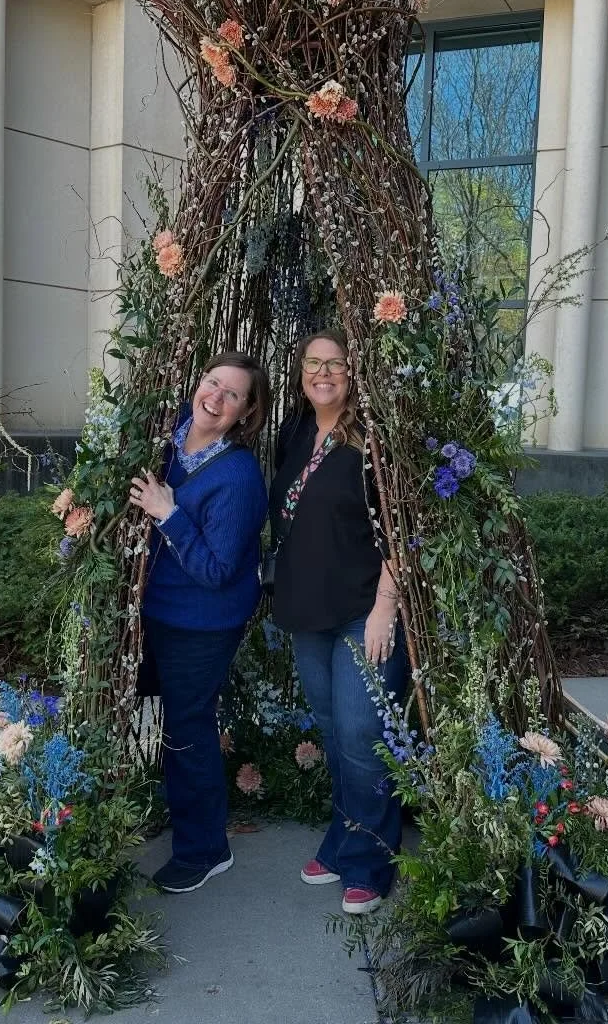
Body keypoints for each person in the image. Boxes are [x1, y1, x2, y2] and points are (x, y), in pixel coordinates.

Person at [268, 329, 408, 915]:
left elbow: (402, 527)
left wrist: (385, 605)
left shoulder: (372, 440)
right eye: (312, 363)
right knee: (333, 733)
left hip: (361, 612)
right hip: (308, 612)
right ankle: (343, 836)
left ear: (355, 372)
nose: (321, 373)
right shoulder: (296, 431)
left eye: (335, 364)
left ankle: (372, 860)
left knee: (362, 736)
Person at [129, 351, 270, 893]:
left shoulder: (236, 474)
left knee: (187, 727)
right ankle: (183, 815)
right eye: (213, 382)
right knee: (170, 722)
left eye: (233, 394)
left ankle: (205, 849)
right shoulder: (169, 440)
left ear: (246, 411)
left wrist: (169, 514)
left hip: (202, 621)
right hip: (156, 609)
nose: (216, 396)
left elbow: (216, 570)